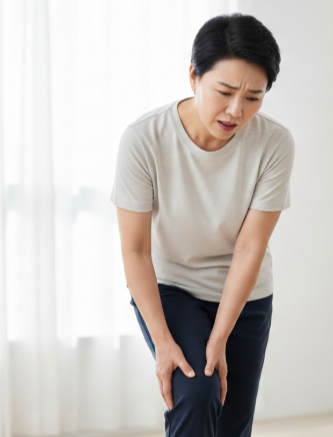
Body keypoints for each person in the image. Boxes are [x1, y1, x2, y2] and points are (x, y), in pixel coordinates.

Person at [109, 12, 294, 437]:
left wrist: (220, 337)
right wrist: (163, 343)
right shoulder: (144, 139)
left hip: (245, 298)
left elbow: (250, 248)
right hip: (172, 289)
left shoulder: (274, 144)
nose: (236, 110)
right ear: (193, 77)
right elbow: (135, 250)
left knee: (231, 424)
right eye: (225, 92)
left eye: (254, 97)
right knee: (194, 394)